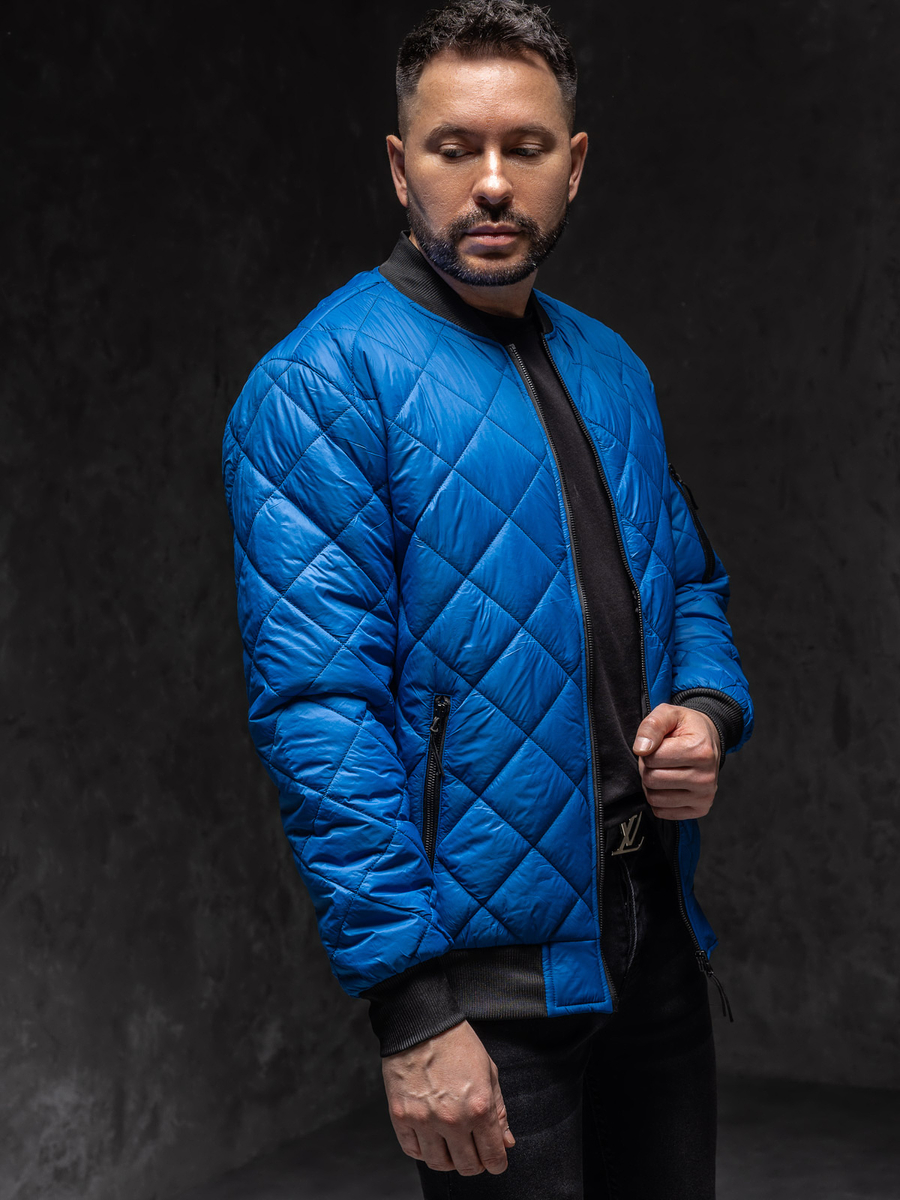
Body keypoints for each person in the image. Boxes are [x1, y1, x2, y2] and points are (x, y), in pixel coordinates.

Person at [222, 2, 753, 1196]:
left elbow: (692, 582)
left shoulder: (613, 366)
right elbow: (320, 716)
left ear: (577, 162)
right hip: (485, 993)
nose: (495, 182)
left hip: (652, 941)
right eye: (456, 147)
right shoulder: (319, 383)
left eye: (527, 145)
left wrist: (709, 711)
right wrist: (414, 1010)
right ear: (400, 165)